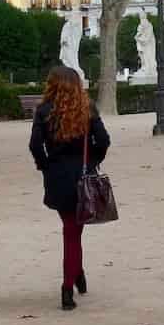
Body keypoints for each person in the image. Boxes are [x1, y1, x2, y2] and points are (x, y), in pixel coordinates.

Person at [30, 66, 111, 312]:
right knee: (74, 233)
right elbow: (104, 140)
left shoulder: (44, 111)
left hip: (57, 177)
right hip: (82, 173)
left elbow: (34, 145)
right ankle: (68, 286)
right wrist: (93, 160)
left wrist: (45, 165)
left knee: (71, 229)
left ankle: (78, 274)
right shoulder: (87, 108)